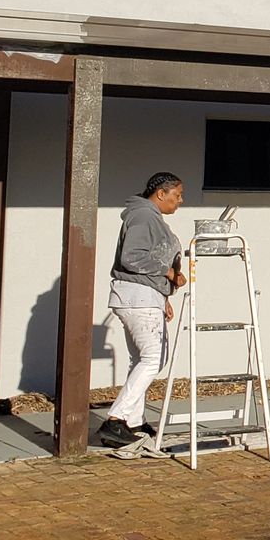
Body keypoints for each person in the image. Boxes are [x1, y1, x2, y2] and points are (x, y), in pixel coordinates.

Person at [100, 172, 188, 447]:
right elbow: (132, 257)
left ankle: (133, 421)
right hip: (137, 297)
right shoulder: (143, 216)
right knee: (153, 358)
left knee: (142, 359)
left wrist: (163, 296)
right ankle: (115, 420)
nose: (180, 201)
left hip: (143, 296)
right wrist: (170, 273)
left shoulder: (148, 216)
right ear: (161, 194)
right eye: (177, 196)